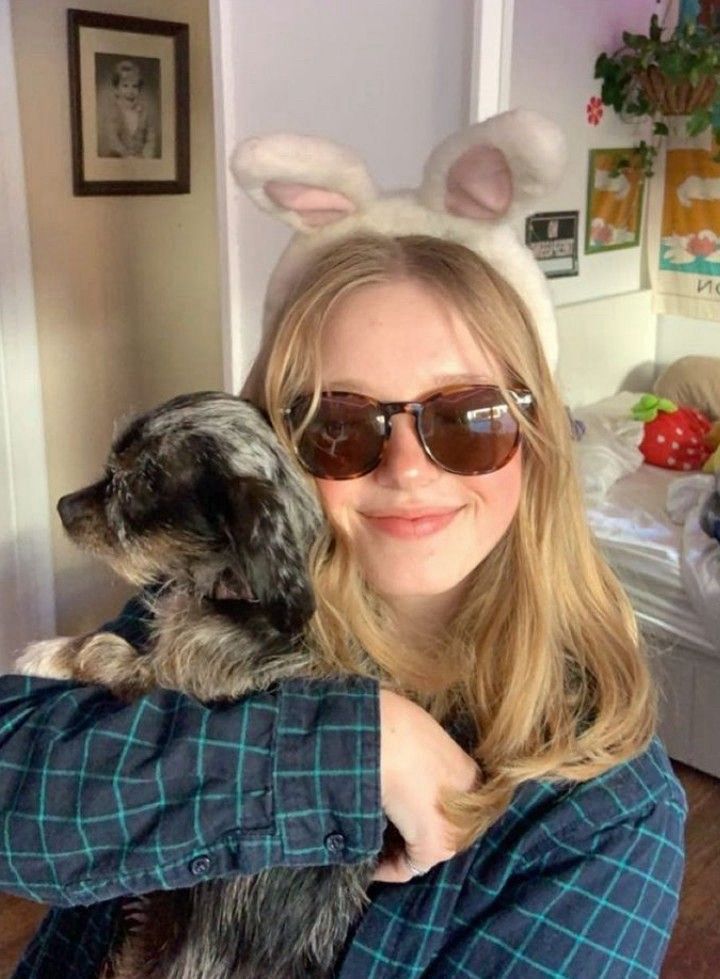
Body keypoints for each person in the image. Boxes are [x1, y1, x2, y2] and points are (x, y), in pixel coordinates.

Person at [1, 233, 686, 978]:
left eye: (469, 417)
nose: (407, 468)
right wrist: (351, 749)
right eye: (338, 426)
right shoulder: (204, 601)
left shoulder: (608, 813)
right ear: (274, 451)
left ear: (535, 436)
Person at [99, 59, 156, 159]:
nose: (130, 91)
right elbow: (112, 139)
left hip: (140, 159)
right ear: (116, 89)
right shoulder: (113, 112)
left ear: (139, 90)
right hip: (118, 159)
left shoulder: (144, 112)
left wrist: (146, 155)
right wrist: (126, 154)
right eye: (125, 86)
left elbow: (151, 138)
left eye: (135, 86)